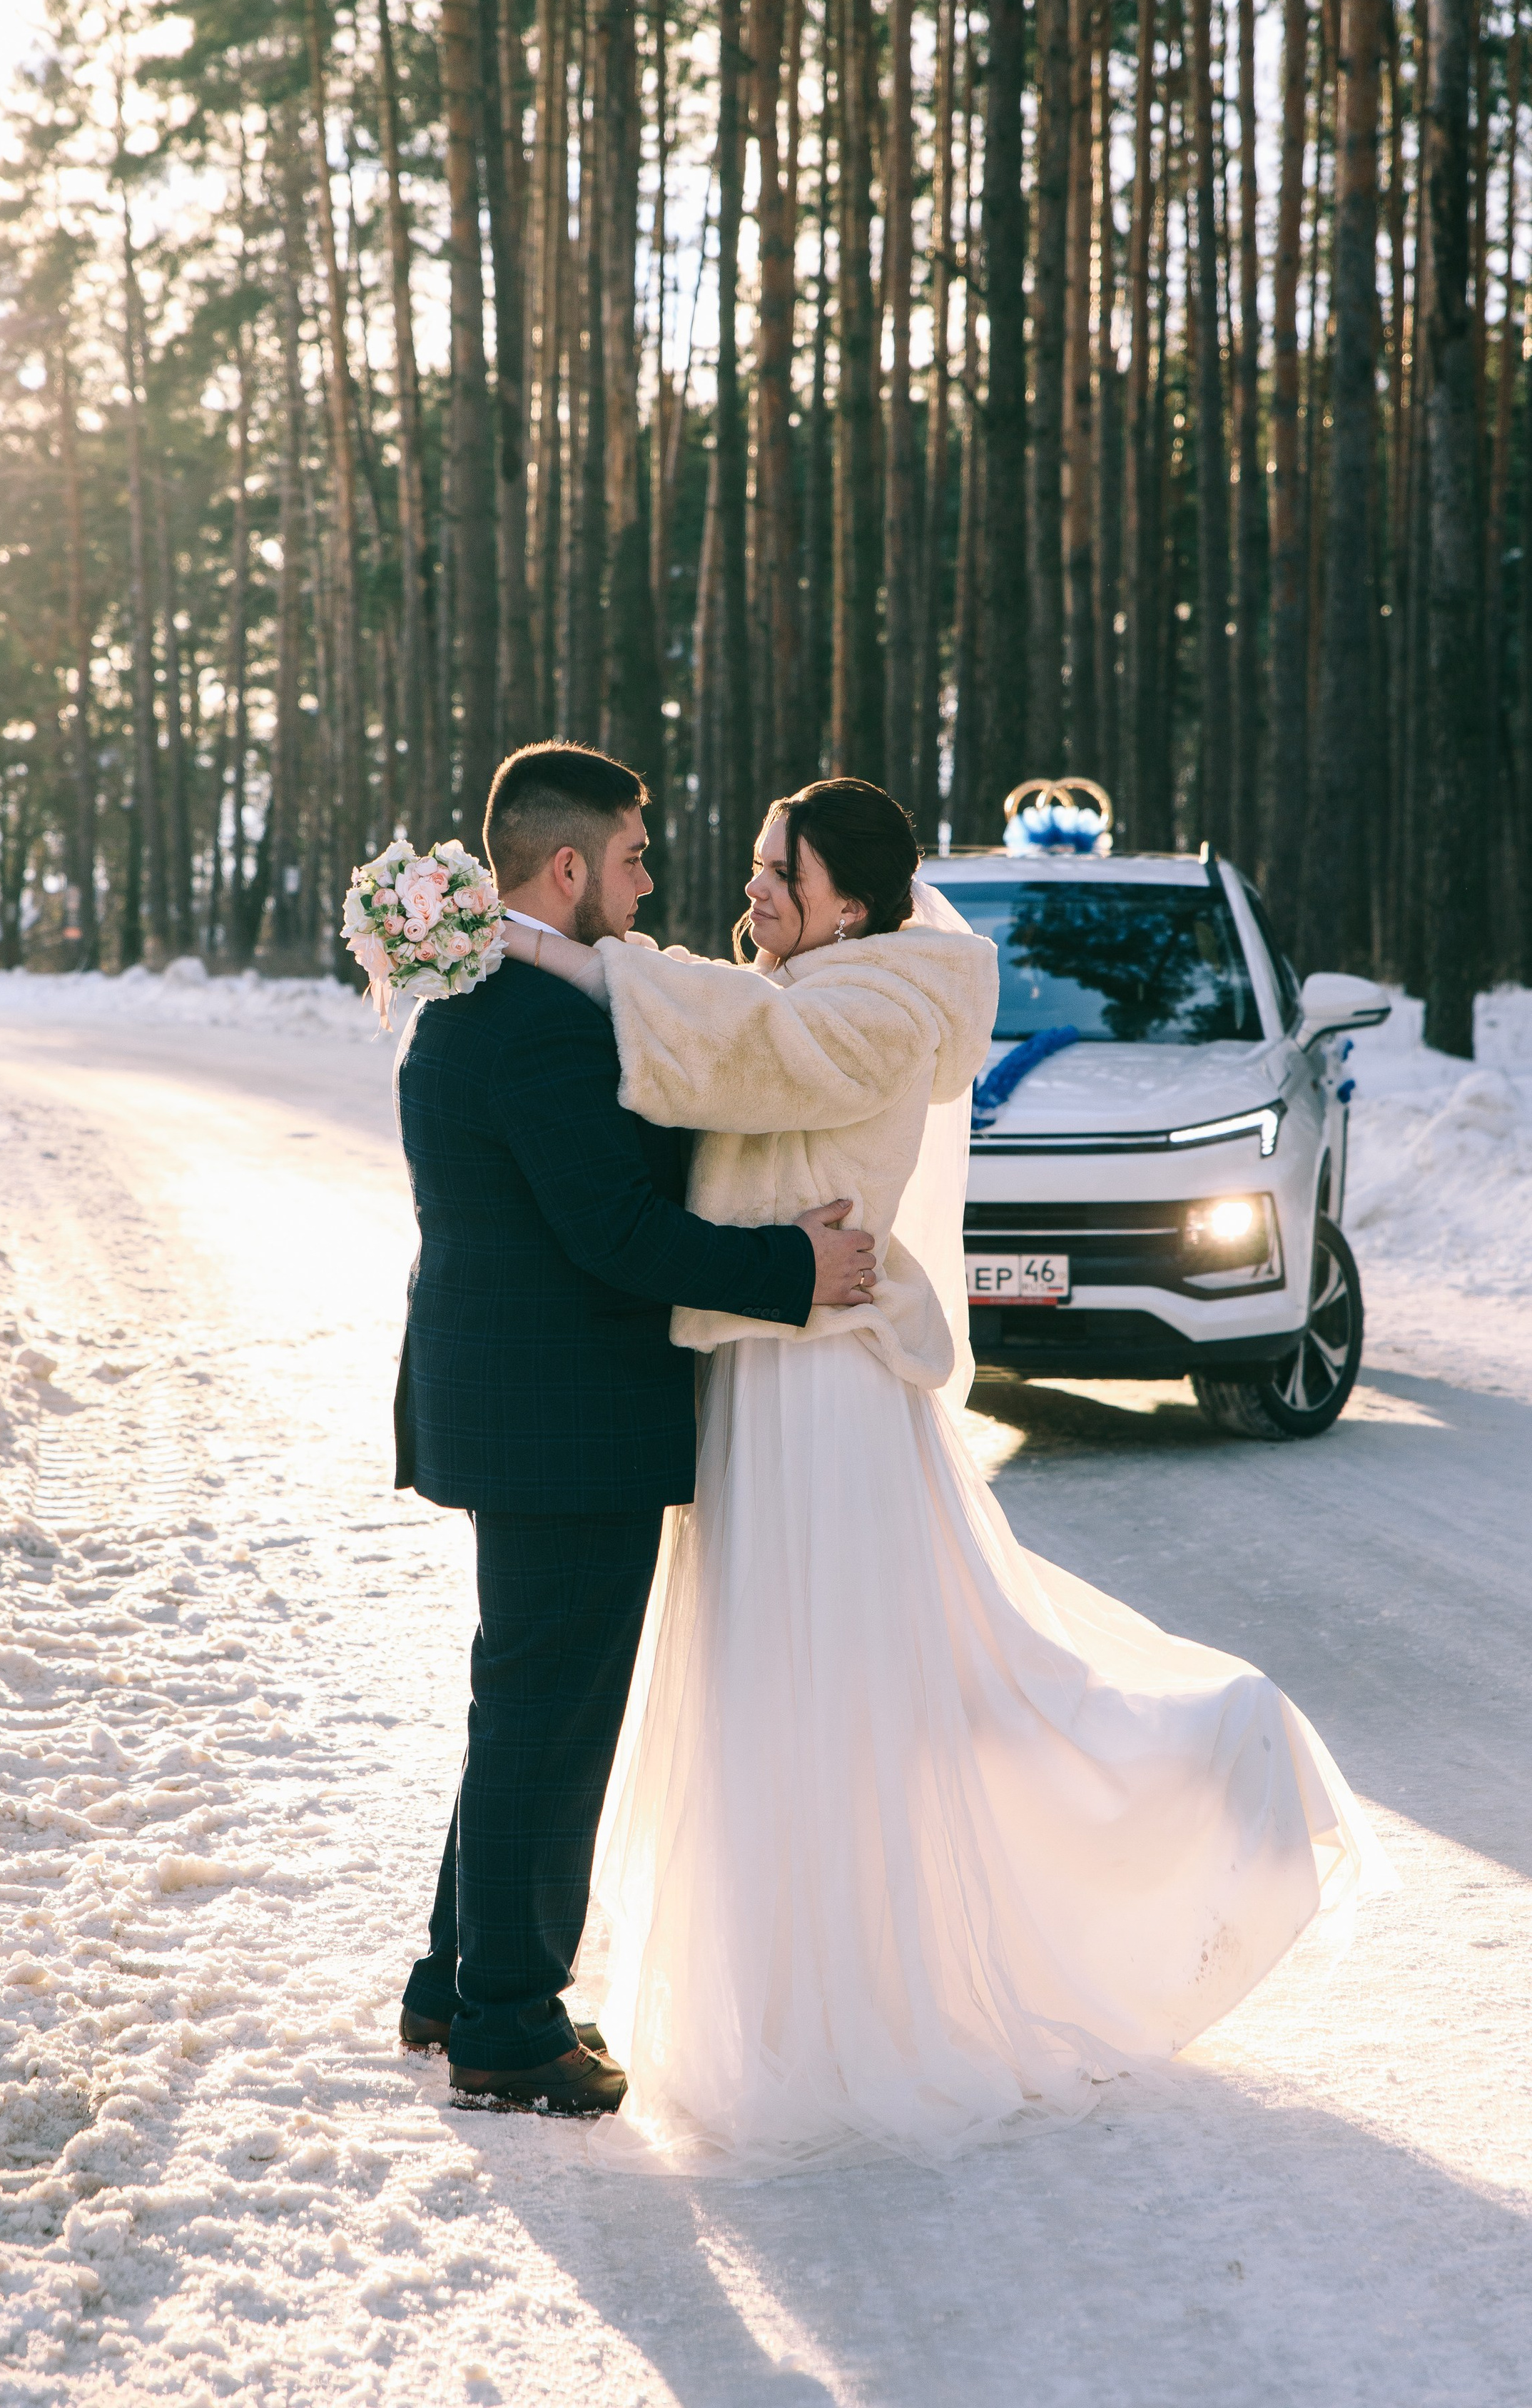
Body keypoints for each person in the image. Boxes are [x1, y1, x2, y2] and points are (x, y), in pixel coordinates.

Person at [507, 774, 1391, 2170]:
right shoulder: (821, 981)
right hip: (766, 1360)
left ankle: (1202, 1774)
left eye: (773, 875)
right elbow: (722, 1017)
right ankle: (792, 1985)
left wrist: (552, 947)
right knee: (777, 1683)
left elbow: (736, 1050)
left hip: (824, 1389)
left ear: (845, 901)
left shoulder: (884, 997)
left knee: (847, 1684)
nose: (748, 893)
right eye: (752, 868)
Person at [393, 741, 878, 2114]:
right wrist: (794, 1268)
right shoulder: (538, 1022)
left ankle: (454, 1981)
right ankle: (510, 2025)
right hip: (565, 1423)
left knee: (521, 1711)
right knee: (551, 1725)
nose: (650, 881)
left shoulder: (486, 988)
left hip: (525, 1409)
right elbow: (615, 1232)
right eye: (631, 859)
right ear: (567, 868)